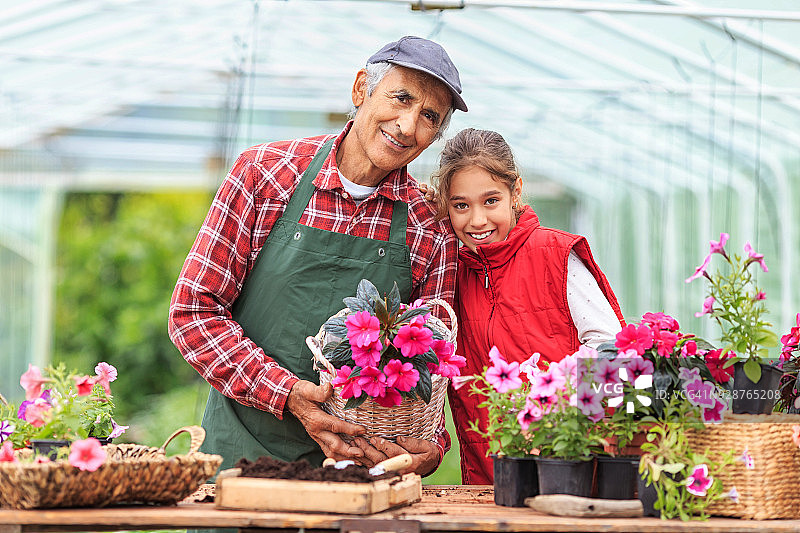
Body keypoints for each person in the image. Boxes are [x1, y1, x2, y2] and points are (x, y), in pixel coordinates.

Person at [168, 36, 467, 477]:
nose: (407, 126)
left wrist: (431, 447)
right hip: (241, 457)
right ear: (361, 89)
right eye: (400, 98)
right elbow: (193, 313)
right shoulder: (266, 175)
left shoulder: (430, 228)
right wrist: (286, 392)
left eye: (429, 117)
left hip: (358, 472)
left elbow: (435, 365)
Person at [431, 128, 626, 484]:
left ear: (515, 191)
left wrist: (558, 416)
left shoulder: (554, 254)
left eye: (491, 201)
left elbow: (610, 348)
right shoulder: (452, 271)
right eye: (461, 205)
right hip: (488, 473)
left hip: (567, 467)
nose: (477, 220)